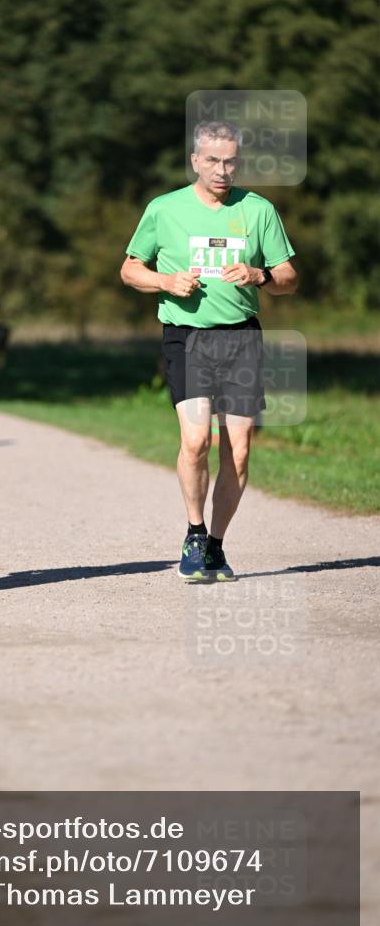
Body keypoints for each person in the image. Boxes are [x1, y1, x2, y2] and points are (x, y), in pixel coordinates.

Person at [121, 120, 298, 581]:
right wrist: (164, 281)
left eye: (231, 161)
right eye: (213, 161)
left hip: (241, 336)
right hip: (187, 335)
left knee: (238, 454)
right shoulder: (164, 209)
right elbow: (129, 269)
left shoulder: (258, 210)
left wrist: (259, 275)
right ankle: (194, 533)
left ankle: (216, 547)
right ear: (195, 161)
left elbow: (289, 280)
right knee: (196, 441)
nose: (222, 170)